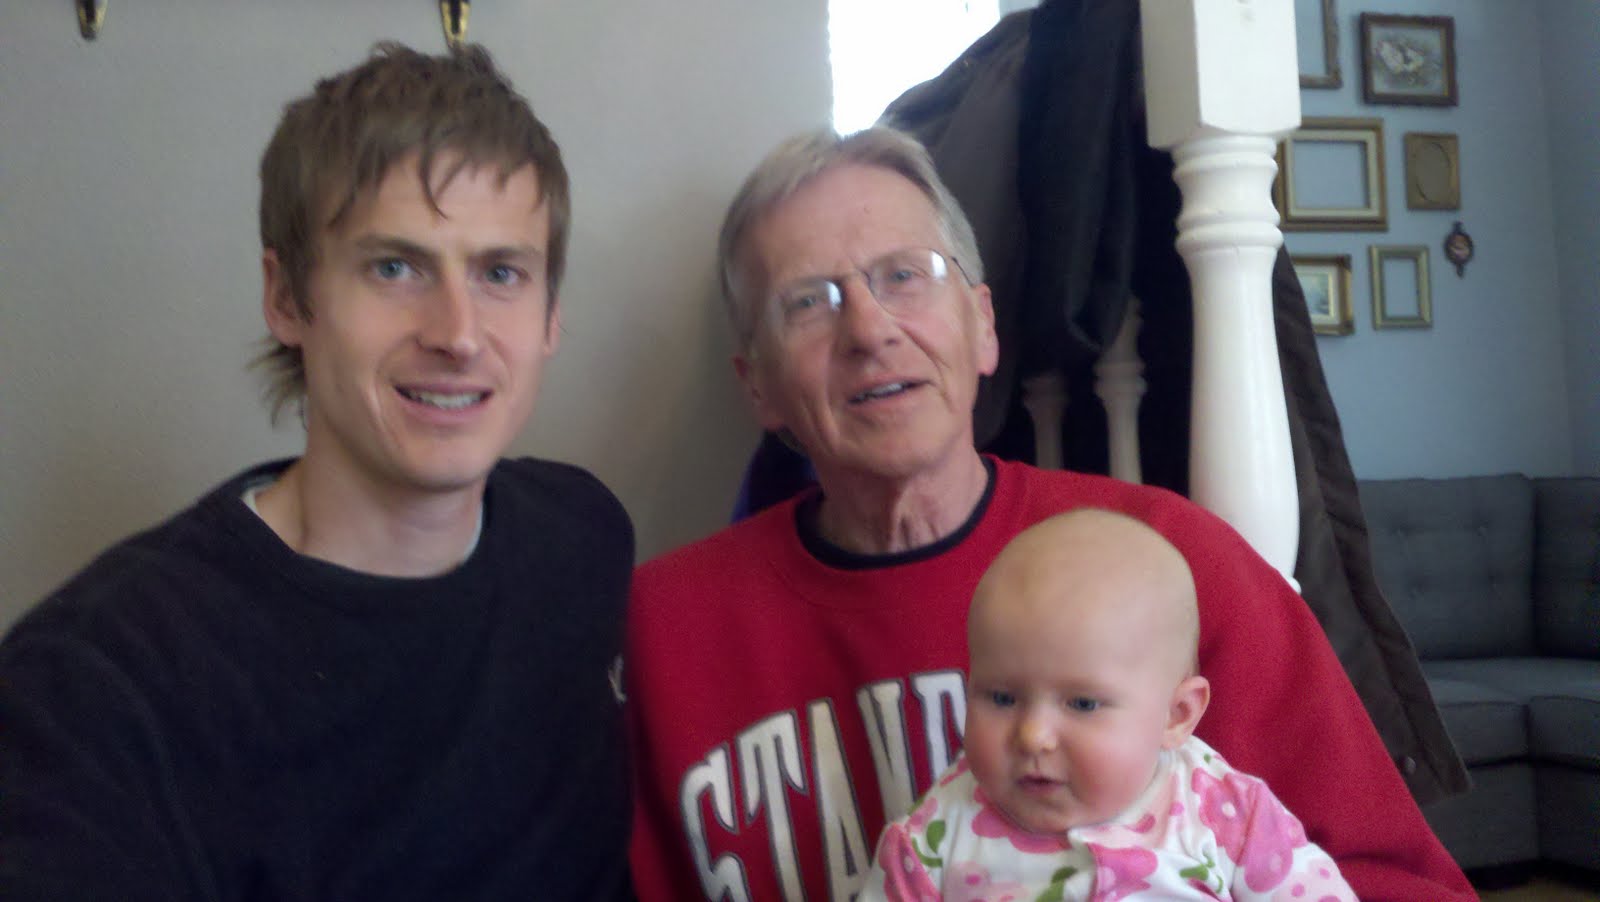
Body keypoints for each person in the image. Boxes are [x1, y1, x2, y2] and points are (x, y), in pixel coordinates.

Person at [625, 126, 1474, 902]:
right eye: (808, 302)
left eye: (905, 275)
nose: (870, 330)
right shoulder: (663, 629)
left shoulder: (1169, 561)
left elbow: (1400, 883)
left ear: (982, 324)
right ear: (758, 387)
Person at [0, 44, 633, 901]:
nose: (457, 333)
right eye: (394, 267)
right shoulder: (98, 684)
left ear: (550, 313)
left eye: (500, 273)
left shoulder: (581, 538)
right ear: (288, 298)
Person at [861, 509, 1355, 900]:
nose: (1032, 735)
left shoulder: (1228, 815)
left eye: (1082, 703)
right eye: (1003, 697)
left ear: (1176, 715)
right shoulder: (933, 836)